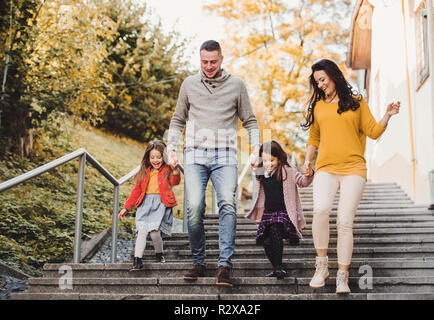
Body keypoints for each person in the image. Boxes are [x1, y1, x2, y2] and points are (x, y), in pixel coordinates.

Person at [300, 59, 400, 294]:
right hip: (325, 167)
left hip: (354, 168)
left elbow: (374, 131)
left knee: (344, 221)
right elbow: (314, 138)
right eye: (317, 82)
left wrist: (387, 115)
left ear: (334, 75)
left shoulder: (356, 102)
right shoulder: (318, 107)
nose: (321, 84)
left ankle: (342, 276)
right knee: (320, 210)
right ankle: (322, 266)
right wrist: (307, 161)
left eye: (323, 79)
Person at [167, 40, 261, 287]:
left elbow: (250, 121)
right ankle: (199, 261)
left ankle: (224, 266)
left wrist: (255, 150)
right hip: (195, 153)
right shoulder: (189, 84)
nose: (208, 66)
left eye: (213, 61)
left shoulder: (236, 85)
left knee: (228, 205)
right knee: (194, 208)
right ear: (200, 59)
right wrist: (171, 148)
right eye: (204, 61)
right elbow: (178, 120)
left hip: (225, 154)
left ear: (221, 59)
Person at [246, 140, 314, 279]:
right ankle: (277, 267)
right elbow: (254, 166)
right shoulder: (262, 173)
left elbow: (303, 182)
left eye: (271, 160)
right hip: (268, 214)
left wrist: (310, 173)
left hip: (284, 214)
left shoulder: (287, 171)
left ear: (279, 158)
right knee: (265, 240)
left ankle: (278, 267)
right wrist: (254, 164)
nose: (268, 164)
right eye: (264, 161)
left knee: (275, 228)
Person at [118, 140, 180, 271]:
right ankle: (137, 260)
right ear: (148, 158)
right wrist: (126, 208)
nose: (155, 160)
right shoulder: (144, 172)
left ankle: (159, 253)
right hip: (145, 204)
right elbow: (136, 191)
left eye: (158, 157)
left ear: (163, 157)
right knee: (142, 231)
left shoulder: (167, 170)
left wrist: (175, 171)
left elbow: (175, 181)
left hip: (160, 204)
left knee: (154, 233)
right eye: (152, 157)